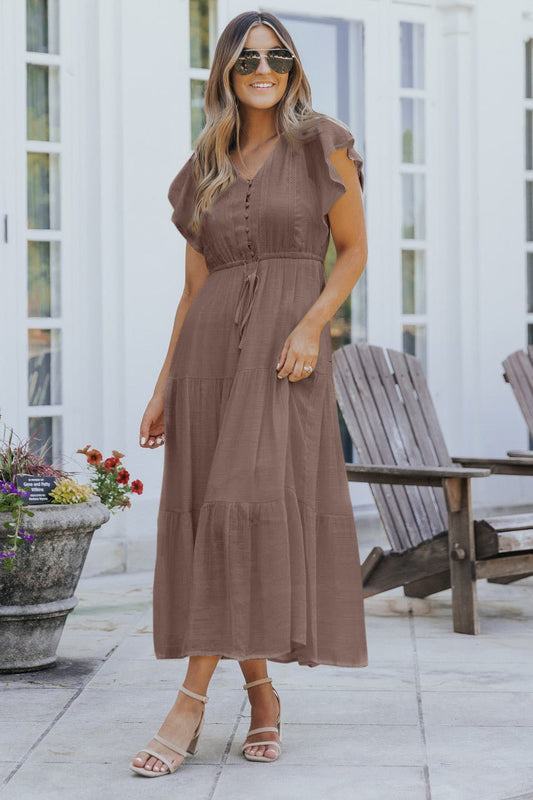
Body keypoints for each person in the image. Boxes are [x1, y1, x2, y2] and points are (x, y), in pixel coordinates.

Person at [130, 9, 368, 778]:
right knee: (215, 522)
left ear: (293, 65)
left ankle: (187, 706)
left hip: (282, 355)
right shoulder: (206, 162)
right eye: (246, 59)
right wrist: (163, 386)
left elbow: (354, 250)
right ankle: (261, 694)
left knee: (243, 508)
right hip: (208, 361)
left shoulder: (320, 142)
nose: (262, 68)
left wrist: (310, 328)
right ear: (225, 75)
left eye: (276, 55)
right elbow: (191, 291)